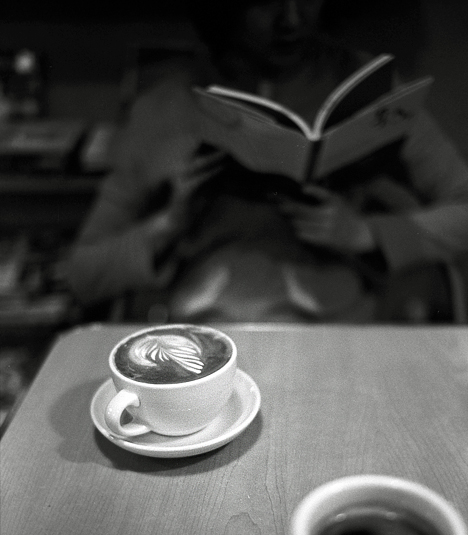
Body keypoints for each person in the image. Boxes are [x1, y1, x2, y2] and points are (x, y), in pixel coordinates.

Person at [63, 0, 468, 323]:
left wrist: (367, 234)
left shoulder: (374, 95)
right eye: (264, 1)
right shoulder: (168, 106)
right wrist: (167, 225)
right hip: (208, 329)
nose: (290, 19)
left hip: (340, 331)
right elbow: (82, 273)